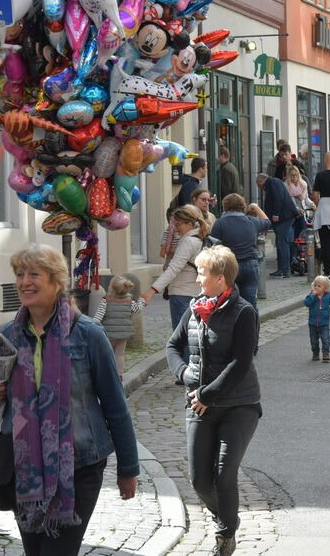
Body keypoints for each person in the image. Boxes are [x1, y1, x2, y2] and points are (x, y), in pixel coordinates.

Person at [0, 245, 139, 555]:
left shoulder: (88, 334)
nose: (25, 281)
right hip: (24, 468)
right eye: (20, 274)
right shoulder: (6, 336)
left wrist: (128, 468)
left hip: (80, 464)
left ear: (56, 281)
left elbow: (116, 406)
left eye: (34, 274)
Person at [165, 247, 261, 556]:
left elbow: (241, 362)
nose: (196, 279)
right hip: (198, 403)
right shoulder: (195, 308)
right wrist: (185, 376)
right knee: (199, 481)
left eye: (202, 273)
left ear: (220, 278)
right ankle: (227, 517)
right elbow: (172, 345)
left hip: (239, 405)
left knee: (224, 473)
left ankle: (225, 536)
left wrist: (207, 394)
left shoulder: (244, 311)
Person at [144, 205, 209, 327]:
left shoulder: (189, 241)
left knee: (182, 337)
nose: (175, 229)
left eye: (178, 225)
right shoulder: (199, 238)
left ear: (188, 223)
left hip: (182, 293)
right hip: (195, 292)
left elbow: (173, 269)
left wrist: (151, 291)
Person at [211, 194, 271, 310]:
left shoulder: (220, 223)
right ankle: (251, 326)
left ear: (224, 206)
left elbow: (213, 247)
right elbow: (267, 222)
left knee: (228, 303)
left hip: (229, 266)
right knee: (250, 303)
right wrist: (255, 206)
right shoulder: (251, 221)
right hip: (250, 265)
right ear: (242, 206)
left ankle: (233, 326)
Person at [93, 275, 146, 379]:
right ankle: (119, 374)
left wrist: (91, 324)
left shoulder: (106, 300)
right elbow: (137, 309)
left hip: (109, 333)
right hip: (123, 334)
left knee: (108, 354)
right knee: (120, 354)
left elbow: (98, 316)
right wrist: (141, 301)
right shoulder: (129, 300)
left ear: (111, 288)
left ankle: (107, 373)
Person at [257, 173, 300, 278]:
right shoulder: (273, 183)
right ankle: (283, 269)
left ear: (261, 181)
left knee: (282, 243)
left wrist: (276, 213)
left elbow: (278, 198)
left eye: (259, 184)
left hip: (283, 217)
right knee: (282, 242)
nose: (259, 187)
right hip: (283, 217)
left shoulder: (273, 183)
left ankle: (285, 270)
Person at [304, 275, 330, 362]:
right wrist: (312, 295)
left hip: (324, 323)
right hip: (313, 323)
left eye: (319, 286)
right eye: (315, 285)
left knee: (325, 339)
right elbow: (306, 303)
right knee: (314, 341)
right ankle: (315, 353)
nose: (316, 287)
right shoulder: (311, 295)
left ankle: (326, 353)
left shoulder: (328, 296)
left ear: (325, 288)